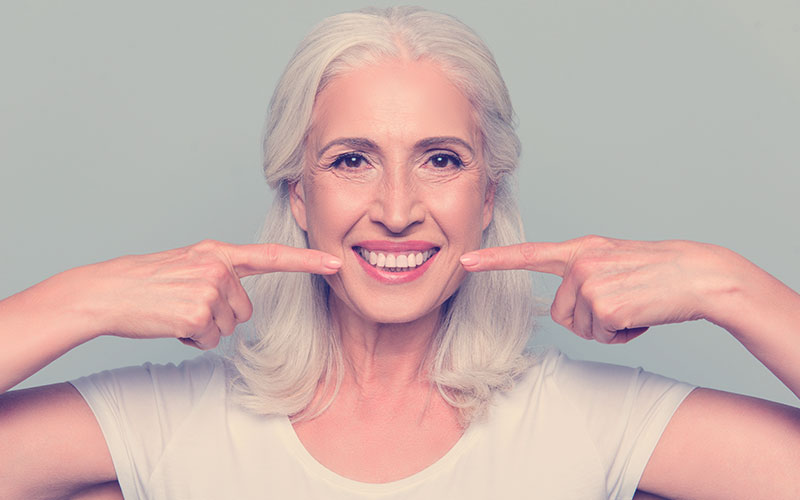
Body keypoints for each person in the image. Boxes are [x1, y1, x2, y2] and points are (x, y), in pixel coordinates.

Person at [1, 6, 799, 499]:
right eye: (350, 160)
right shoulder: (165, 424)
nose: (395, 209)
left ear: (486, 197)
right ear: (298, 196)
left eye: (441, 160)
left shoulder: (588, 421)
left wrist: (725, 285)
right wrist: (84, 300)